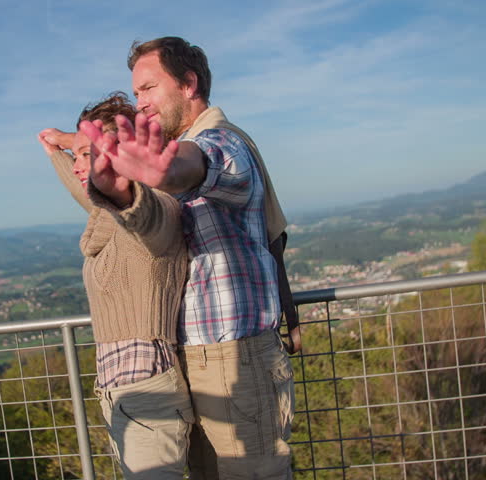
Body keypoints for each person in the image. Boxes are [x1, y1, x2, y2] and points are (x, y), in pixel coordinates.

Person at [79, 37, 295, 479]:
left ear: (189, 84)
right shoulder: (186, 142)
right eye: (136, 93)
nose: (141, 104)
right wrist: (122, 191)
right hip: (189, 359)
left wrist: (165, 171)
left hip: (237, 356)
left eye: (149, 89)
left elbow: (199, 163)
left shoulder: (223, 142)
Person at [37, 92, 194, 479]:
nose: (79, 165)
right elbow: (88, 190)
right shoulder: (104, 220)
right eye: (79, 155)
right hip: (121, 393)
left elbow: (142, 212)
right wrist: (59, 147)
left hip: (148, 392)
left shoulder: (157, 211)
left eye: (87, 155)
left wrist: (122, 191)